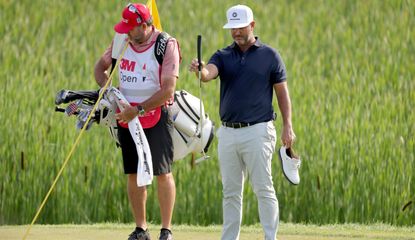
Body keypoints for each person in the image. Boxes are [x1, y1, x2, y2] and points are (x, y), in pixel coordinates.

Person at [189, 4, 297, 240]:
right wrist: (200, 71)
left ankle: (271, 237)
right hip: (227, 134)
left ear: (252, 25)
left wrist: (288, 124)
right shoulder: (223, 55)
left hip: (258, 131)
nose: (236, 32)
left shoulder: (270, 56)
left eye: (240, 27)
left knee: (263, 188)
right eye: (232, 28)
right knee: (230, 193)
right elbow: (209, 74)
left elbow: (282, 93)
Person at [94, 3, 180, 240]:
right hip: (126, 117)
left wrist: (138, 109)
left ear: (144, 26)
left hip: (156, 115)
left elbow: (168, 89)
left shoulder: (166, 45)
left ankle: (166, 230)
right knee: (133, 172)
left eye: (130, 28)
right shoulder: (122, 40)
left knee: (162, 172)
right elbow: (100, 69)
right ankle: (141, 229)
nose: (126, 32)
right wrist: (110, 93)